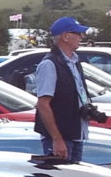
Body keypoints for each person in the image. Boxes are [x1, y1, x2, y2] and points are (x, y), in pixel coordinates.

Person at [33, 17, 93, 163]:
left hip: (76, 134)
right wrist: (57, 139)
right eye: (78, 33)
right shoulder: (49, 65)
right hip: (62, 138)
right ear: (66, 36)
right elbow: (43, 104)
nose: (82, 37)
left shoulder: (74, 61)